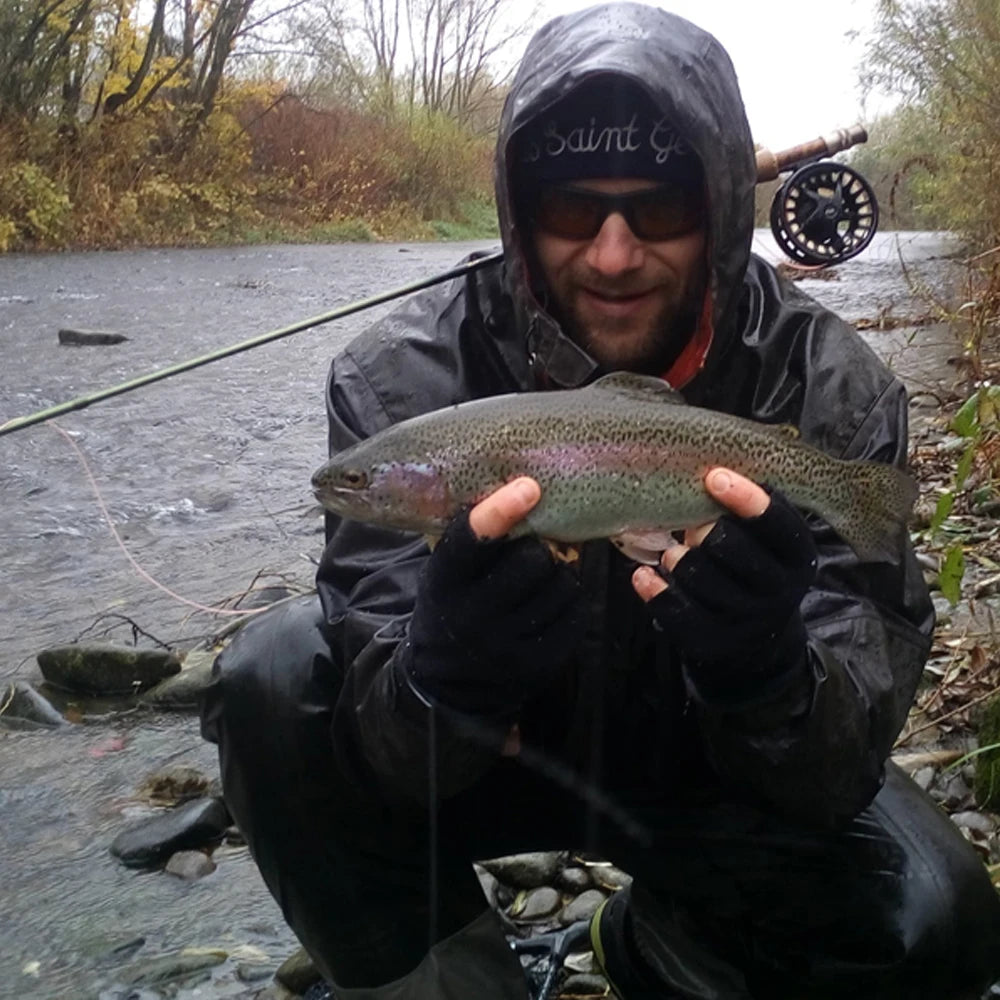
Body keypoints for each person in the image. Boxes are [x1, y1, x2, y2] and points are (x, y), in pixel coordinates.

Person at [200, 3, 1000, 998]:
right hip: (496, 760)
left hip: (716, 771)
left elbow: (840, 761)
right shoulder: (401, 376)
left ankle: (663, 944)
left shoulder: (828, 385)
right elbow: (383, 741)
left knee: (938, 925)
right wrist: (441, 675)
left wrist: (767, 675)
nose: (614, 255)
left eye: (658, 209)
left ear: (715, 210)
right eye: (573, 209)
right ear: (519, 211)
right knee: (271, 673)